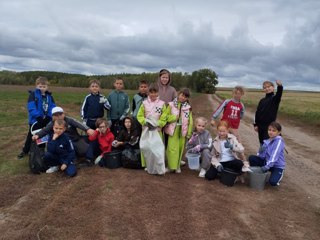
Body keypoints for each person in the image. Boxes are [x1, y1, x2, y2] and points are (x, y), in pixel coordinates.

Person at [17, 76, 56, 159]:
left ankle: (41, 151)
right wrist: (38, 117)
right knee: (30, 136)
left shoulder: (50, 97)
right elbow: (31, 107)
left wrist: (49, 117)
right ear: (36, 86)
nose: (42, 88)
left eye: (44, 86)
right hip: (35, 120)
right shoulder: (33, 95)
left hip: (46, 120)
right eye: (40, 86)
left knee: (43, 135)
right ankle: (25, 150)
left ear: (47, 87)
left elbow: (52, 107)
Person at [137, 84, 168, 174]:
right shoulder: (144, 103)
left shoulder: (162, 104)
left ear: (158, 93)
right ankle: (148, 165)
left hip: (156, 130)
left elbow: (164, 117)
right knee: (146, 147)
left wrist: (159, 124)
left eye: (155, 92)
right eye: (151, 92)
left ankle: (158, 166)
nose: (153, 94)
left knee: (157, 148)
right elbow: (140, 115)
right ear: (148, 93)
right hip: (147, 129)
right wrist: (145, 122)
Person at [249, 122, 286, 186]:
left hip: (277, 166)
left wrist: (266, 167)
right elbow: (262, 157)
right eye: (269, 130)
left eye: (274, 131)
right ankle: (262, 174)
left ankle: (278, 174)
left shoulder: (279, 141)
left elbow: (274, 157)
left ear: (279, 132)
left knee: (273, 182)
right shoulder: (266, 141)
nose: (271, 132)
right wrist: (260, 152)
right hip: (267, 163)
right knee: (252, 158)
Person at [165, 88, 193, 173]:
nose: (183, 97)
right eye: (182, 95)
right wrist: (174, 118)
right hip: (173, 130)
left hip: (183, 131)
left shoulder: (188, 108)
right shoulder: (171, 105)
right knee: (172, 148)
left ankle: (177, 166)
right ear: (178, 94)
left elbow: (190, 121)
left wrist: (189, 133)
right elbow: (165, 117)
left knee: (180, 149)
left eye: (185, 97)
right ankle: (170, 166)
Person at [254, 80, 283, 145]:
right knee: (262, 143)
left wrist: (280, 86)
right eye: (265, 87)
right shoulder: (262, 100)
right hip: (260, 126)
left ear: (273, 87)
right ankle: (262, 155)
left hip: (269, 126)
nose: (267, 88)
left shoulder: (275, 99)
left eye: (269, 86)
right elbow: (257, 112)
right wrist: (256, 124)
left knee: (268, 144)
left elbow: (279, 94)